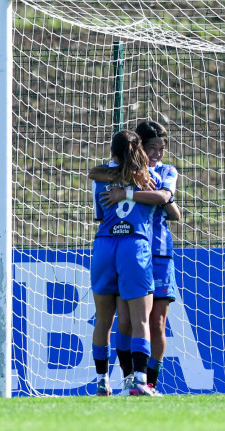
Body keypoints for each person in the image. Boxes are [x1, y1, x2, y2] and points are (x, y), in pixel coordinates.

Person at [91, 120, 180, 395]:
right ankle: (131, 380)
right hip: (134, 246)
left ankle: (147, 381)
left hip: (153, 251)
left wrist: (127, 192)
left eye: (161, 148)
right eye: (152, 148)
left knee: (157, 322)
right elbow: (96, 173)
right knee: (128, 320)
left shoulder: (163, 172)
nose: (158, 154)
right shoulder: (132, 172)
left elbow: (171, 206)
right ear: (140, 147)